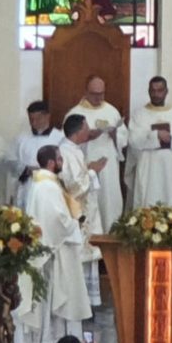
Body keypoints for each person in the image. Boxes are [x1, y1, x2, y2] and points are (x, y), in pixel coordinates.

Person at [19, 146, 92, 343]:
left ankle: (55, 340)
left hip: (54, 249)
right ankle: (50, 342)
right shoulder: (46, 187)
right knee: (55, 298)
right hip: (54, 252)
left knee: (54, 298)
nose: (62, 162)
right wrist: (75, 222)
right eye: (60, 159)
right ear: (52, 163)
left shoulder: (45, 183)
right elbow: (56, 220)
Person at [66, 75, 128, 230]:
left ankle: (110, 233)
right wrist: (87, 137)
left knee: (108, 201)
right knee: (90, 203)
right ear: (86, 91)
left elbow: (124, 138)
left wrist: (114, 135)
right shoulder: (75, 113)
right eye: (94, 94)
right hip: (85, 164)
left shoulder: (111, 111)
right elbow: (67, 142)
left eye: (101, 94)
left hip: (108, 166)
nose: (98, 97)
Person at [58, 115, 105, 307]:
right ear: (78, 131)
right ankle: (79, 302)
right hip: (76, 213)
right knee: (79, 257)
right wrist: (93, 170)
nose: (89, 132)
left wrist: (89, 169)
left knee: (87, 257)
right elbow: (73, 186)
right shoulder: (65, 152)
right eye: (86, 128)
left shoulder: (74, 150)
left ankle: (87, 301)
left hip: (85, 211)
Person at [128, 76, 172, 209]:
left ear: (166, 91)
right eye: (153, 91)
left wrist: (171, 137)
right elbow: (133, 139)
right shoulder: (139, 115)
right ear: (148, 91)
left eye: (160, 90)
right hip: (149, 166)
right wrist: (156, 135)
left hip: (171, 168)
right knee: (148, 201)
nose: (156, 94)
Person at [13, 101, 65, 208]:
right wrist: (26, 169)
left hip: (50, 186)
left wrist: (46, 170)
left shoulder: (60, 138)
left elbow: (64, 163)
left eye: (38, 119)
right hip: (28, 186)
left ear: (47, 117)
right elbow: (13, 162)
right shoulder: (22, 139)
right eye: (31, 119)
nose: (34, 123)